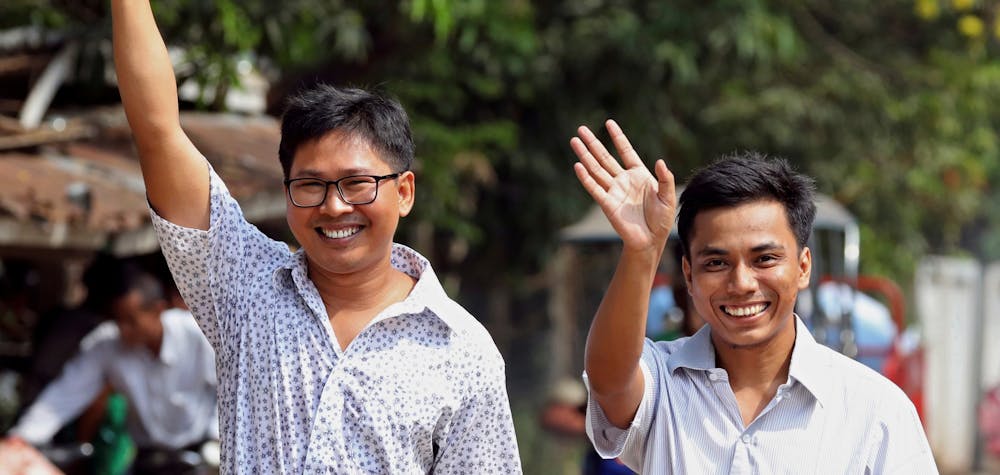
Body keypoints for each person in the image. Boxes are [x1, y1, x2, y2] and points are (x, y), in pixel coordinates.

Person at [110, 1, 521, 473]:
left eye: (357, 183)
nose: (334, 206)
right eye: (310, 185)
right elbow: (158, 130)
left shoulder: (462, 351)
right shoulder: (244, 285)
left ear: (404, 192)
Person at [569, 120, 936, 473]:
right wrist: (642, 250)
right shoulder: (662, 382)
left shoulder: (875, 410)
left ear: (803, 267)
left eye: (764, 259)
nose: (742, 282)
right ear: (689, 276)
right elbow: (610, 383)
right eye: (716, 262)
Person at [5, 271, 218, 473]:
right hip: (145, 457)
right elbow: (64, 394)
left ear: (158, 310)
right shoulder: (107, 344)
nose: (124, 329)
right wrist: (22, 438)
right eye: (119, 320)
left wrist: (217, 439)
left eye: (131, 321)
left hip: (200, 453)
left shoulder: (198, 334)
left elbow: (234, 389)